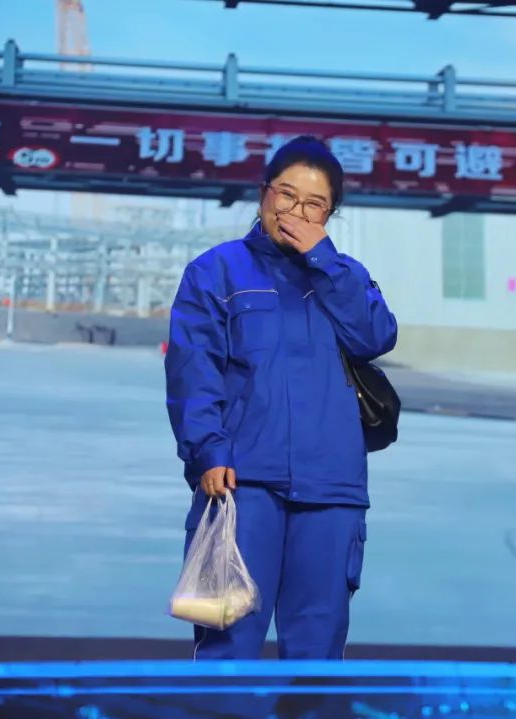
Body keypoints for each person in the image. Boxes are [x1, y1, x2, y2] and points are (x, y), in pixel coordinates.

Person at [165, 135, 398, 660]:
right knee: (229, 640)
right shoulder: (216, 271)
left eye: (314, 204)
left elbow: (376, 337)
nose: (296, 211)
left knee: (318, 648)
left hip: (331, 488)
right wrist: (207, 450)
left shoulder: (345, 275)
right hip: (241, 483)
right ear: (263, 193)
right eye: (286, 194)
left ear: (329, 215)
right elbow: (193, 371)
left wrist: (323, 259)